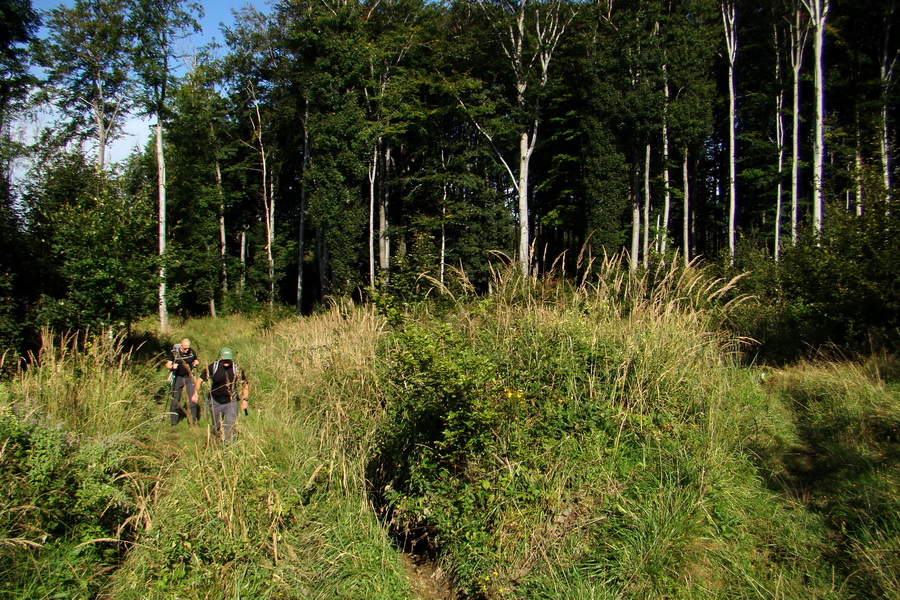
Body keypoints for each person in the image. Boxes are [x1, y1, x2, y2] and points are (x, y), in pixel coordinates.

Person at [192, 347, 249, 443]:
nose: (226, 362)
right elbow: (199, 380)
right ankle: (215, 445)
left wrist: (245, 400)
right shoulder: (213, 367)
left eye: (228, 360)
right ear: (220, 358)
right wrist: (195, 394)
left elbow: (245, 385)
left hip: (231, 401)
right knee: (216, 426)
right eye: (224, 359)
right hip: (215, 401)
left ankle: (229, 448)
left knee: (230, 425)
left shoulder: (236, 368)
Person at [166, 338, 199, 425]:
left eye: (188, 348)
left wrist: (195, 363)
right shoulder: (174, 353)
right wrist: (173, 366)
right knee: (175, 398)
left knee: (193, 398)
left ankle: (193, 420)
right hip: (178, 377)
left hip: (189, 377)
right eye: (185, 348)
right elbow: (167, 364)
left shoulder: (191, 352)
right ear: (181, 346)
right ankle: (174, 420)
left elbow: (195, 360)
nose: (186, 350)